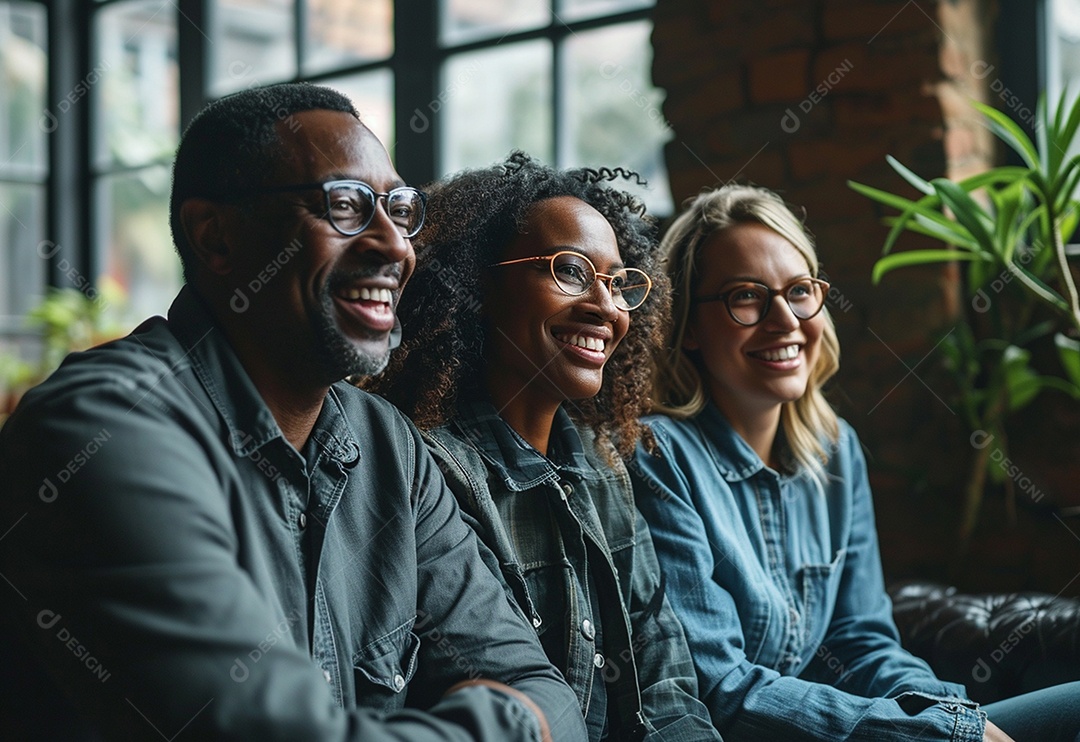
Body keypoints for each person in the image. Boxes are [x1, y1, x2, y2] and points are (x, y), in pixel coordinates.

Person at [0, 83, 588, 741]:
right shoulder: (103, 429)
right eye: (344, 205)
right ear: (215, 237)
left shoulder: (389, 448)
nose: (396, 247)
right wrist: (513, 724)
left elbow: (548, 692)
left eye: (400, 209)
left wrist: (523, 709)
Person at [628, 183, 1080, 742]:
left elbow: (861, 644)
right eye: (746, 297)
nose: (785, 320)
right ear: (687, 326)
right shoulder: (658, 456)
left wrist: (959, 719)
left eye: (799, 291)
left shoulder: (836, 450)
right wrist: (940, 736)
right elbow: (721, 691)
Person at [368, 152, 720, 742]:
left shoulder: (601, 462)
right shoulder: (424, 468)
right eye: (571, 271)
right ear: (478, 284)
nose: (606, 307)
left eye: (617, 283)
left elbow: (664, 683)